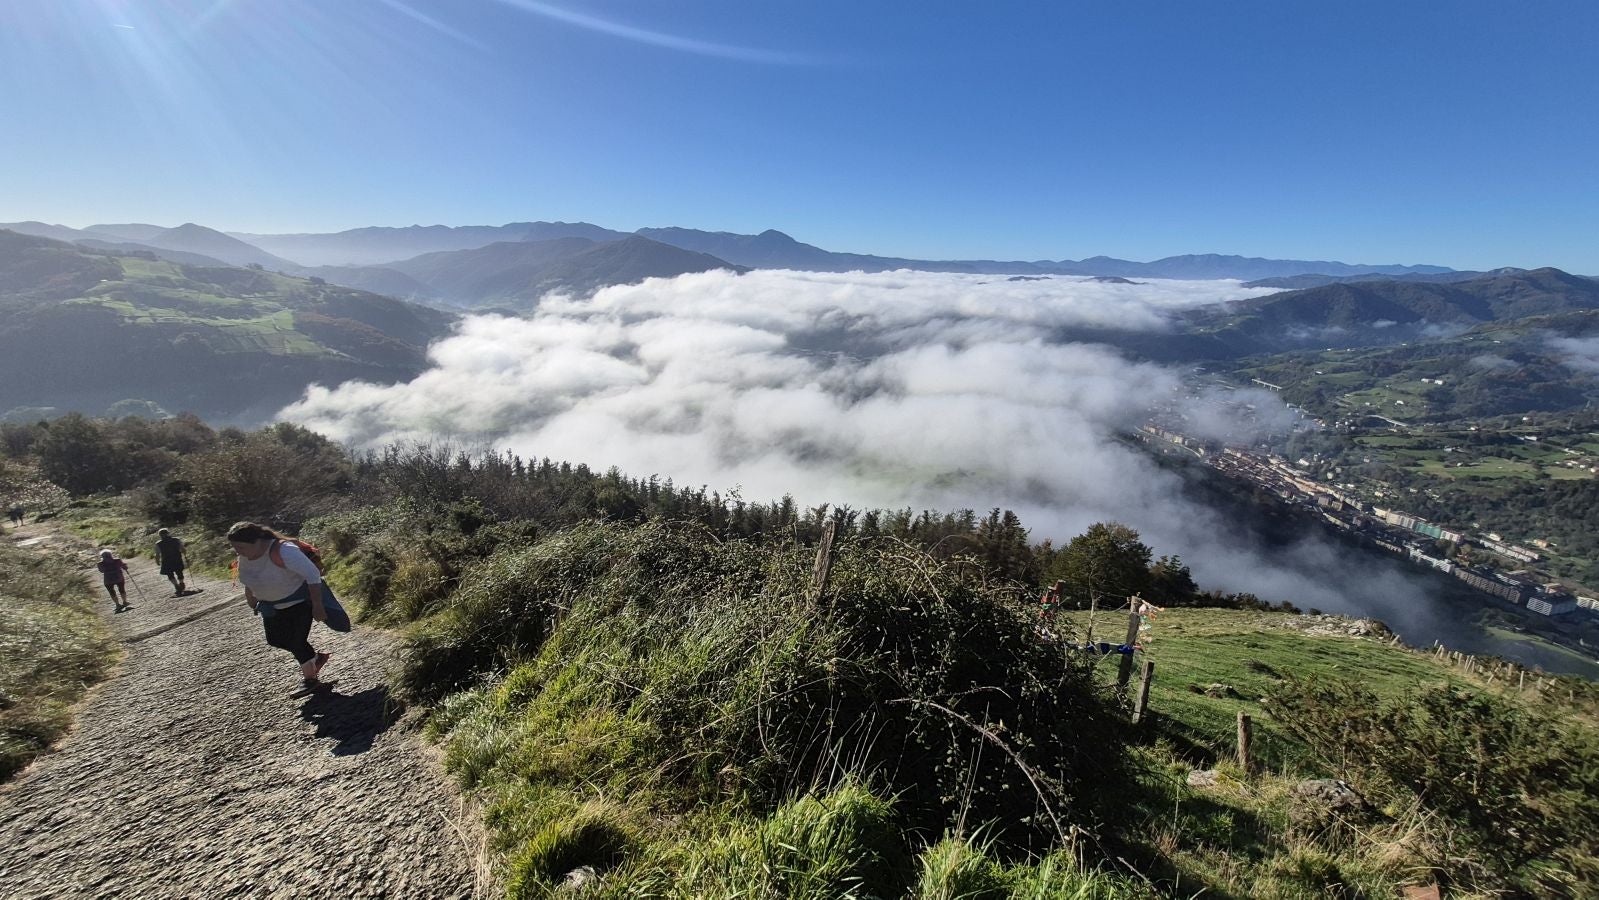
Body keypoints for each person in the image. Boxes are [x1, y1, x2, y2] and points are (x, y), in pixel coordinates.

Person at [227, 521, 330, 688]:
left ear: (257, 541)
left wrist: (318, 605)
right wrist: (251, 597)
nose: (238, 551)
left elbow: (312, 574)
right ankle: (315, 659)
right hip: (270, 607)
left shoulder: (284, 550)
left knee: (296, 641)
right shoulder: (245, 556)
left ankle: (310, 680)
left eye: (240, 547)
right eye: (235, 547)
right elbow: (249, 577)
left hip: (299, 603)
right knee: (275, 640)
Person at [154, 527, 188, 596]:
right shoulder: (176, 540)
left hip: (166, 560)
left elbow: (157, 554)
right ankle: (181, 583)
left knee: (170, 574)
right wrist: (185, 555)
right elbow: (182, 549)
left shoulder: (158, 544)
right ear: (168, 533)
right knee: (179, 572)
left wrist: (157, 561)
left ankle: (176, 585)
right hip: (177, 558)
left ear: (160, 535)